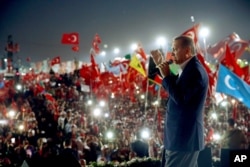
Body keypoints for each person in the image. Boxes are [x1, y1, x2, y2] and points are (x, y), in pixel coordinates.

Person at [151, 35, 209, 167]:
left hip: (183, 139)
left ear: (187, 51)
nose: (172, 53)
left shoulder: (195, 71)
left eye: (175, 49)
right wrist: (161, 66)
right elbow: (177, 87)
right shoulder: (188, 69)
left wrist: (166, 76)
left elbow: (181, 99)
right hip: (181, 138)